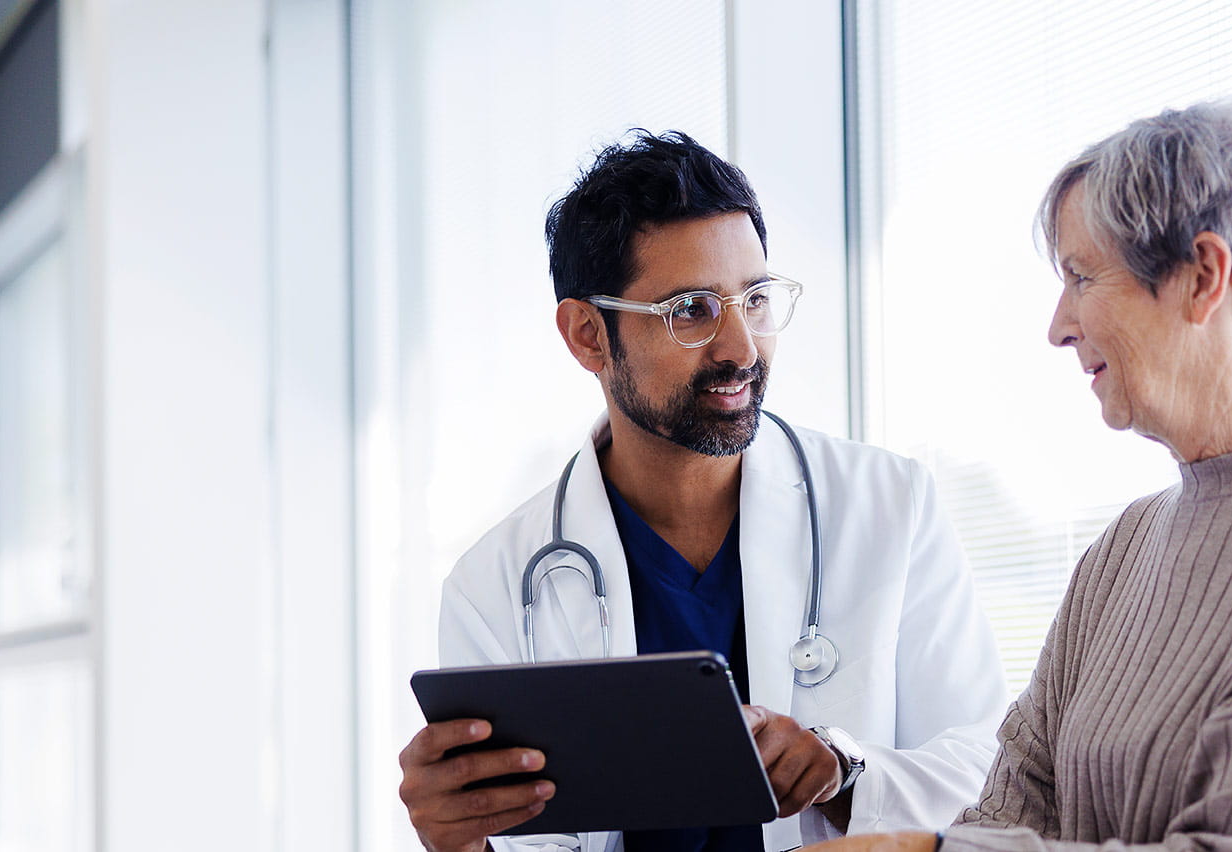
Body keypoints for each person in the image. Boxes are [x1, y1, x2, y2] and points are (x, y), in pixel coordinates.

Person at [803, 99, 1232, 852]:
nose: (1057, 325)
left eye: (1082, 276)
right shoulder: (1124, 549)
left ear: (1201, 278)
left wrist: (922, 851)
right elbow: (1008, 811)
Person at [397, 130, 1009, 852]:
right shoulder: (494, 588)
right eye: (690, 309)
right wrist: (462, 843)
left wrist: (845, 772)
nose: (742, 348)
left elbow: (992, 779)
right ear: (588, 335)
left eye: (753, 298)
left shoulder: (890, 506)